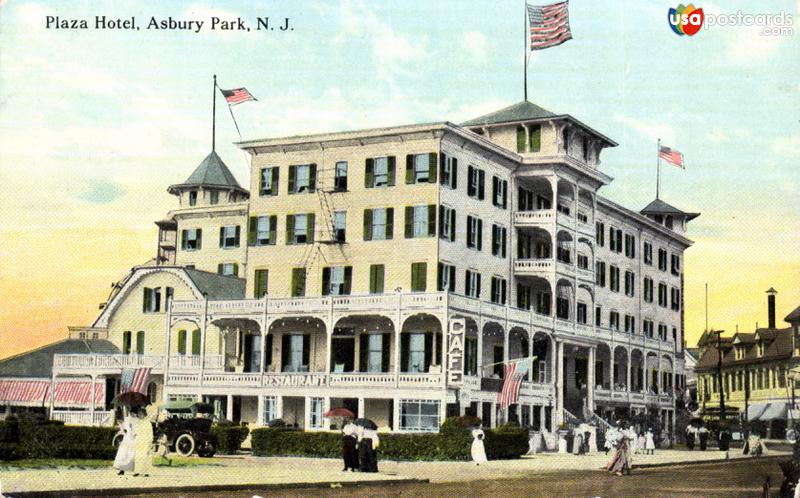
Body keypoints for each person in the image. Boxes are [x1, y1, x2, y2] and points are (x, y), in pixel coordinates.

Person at [133, 405, 155, 477]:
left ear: (144, 414)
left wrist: (150, 442)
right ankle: (137, 471)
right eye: (139, 414)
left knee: (145, 456)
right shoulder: (138, 423)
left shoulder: (147, 423)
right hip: (139, 440)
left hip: (145, 440)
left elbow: (150, 433)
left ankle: (146, 471)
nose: (140, 415)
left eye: (141, 413)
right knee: (138, 456)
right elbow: (135, 431)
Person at [113, 410, 136, 475]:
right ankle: (122, 469)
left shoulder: (136, 420)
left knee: (132, 454)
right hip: (127, 437)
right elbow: (125, 428)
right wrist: (122, 427)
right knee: (123, 454)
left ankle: (135, 469)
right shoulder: (127, 419)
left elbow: (135, 429)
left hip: (133, 437)